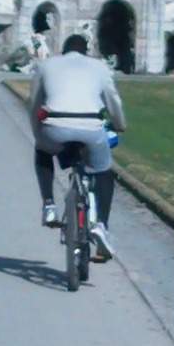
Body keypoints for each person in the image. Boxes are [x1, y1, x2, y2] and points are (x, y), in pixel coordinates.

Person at [29, 33, 127, 259]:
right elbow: (113, 100)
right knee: (103, 171)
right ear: (86, 51)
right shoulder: (99, 67)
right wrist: (120, 124)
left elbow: (33, 102)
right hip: (91, 126)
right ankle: (101, 222)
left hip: (56, 124)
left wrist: (38, 132)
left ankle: (49, 205)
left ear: (63, 51)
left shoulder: (46, 65)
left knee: (42, 151)